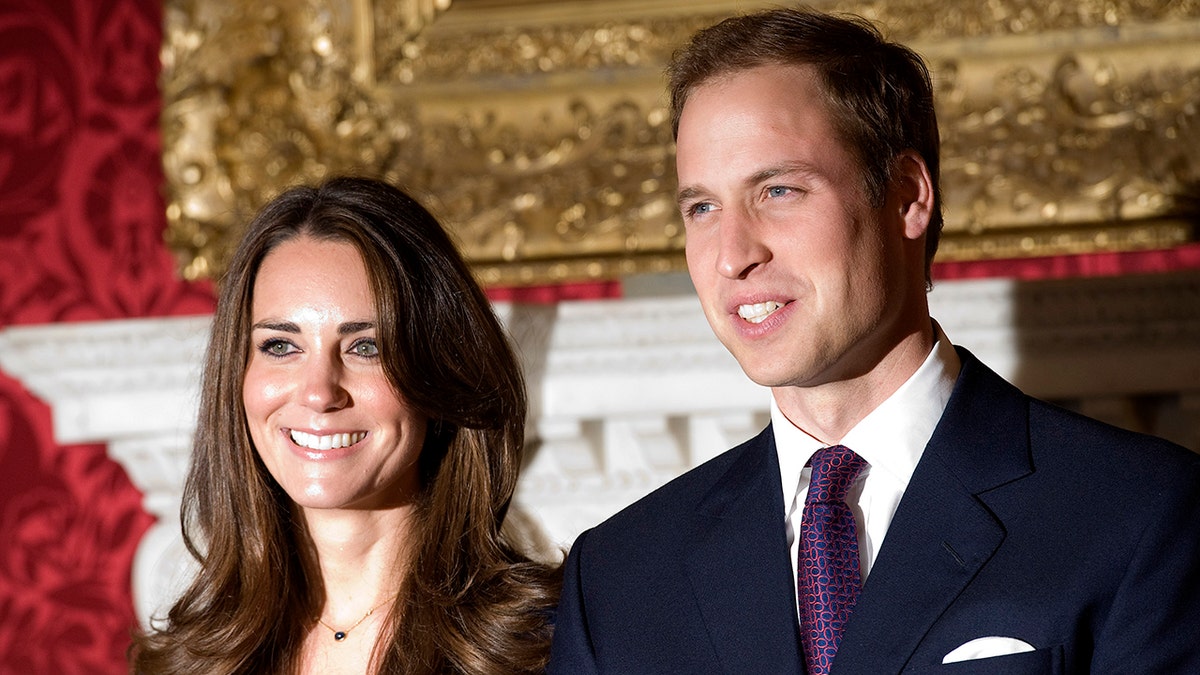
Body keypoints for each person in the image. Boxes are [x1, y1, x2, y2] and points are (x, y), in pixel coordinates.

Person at [548, 6, 1200, 674]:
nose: (730, 256)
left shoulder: (1139, 514)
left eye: (777, 190)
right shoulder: (617, 578)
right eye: (702, 208)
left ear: (908, 196)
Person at [131, 176, 560, 674]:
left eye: (366, 347)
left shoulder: (551, 643)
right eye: (280, 346)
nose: (319, 391)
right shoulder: (189, 660)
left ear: (439, 372)